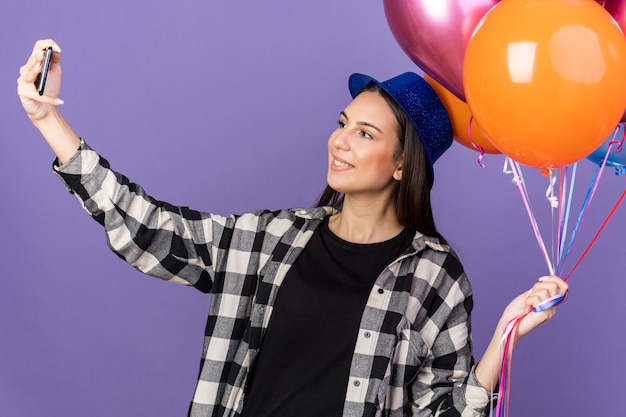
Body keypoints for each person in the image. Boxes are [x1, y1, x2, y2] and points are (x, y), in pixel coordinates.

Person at [17, 39, 568, 417]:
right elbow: (150, 229)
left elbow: (444, 410)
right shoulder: (271, 238)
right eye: (342, 124)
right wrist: (49, 120)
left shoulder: (435, 277)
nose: (341, 141)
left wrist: (503, 340)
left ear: (403, 164)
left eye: (366, 134)